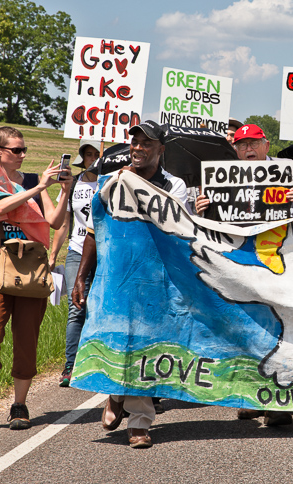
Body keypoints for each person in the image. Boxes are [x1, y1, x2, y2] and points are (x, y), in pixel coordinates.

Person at [73, 120, 188, 449]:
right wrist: (82, 275)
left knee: (147, 347)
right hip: (117, 278)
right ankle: (116, 392)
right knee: (117, 340)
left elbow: (179, 231)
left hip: (156, 280)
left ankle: (139, 422)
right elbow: (95, 230)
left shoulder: (174, 186)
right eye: (134, 142)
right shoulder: (111, 182)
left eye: (146, 144)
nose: (138, 148)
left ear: (160, 150)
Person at [0, 127, 72, 432]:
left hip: (32, 271)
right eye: (16, 150)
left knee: (27, 338)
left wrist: (63, 191)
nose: (23, 155)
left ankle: (20, 404)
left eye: (24, 149)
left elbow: (54, 221)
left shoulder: (33, 180)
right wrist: (38, 189)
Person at [193, 124, 293, 427]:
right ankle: (253, 397)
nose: (247, 149)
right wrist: (202, 212)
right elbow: (211, 231)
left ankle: (280, 402)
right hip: (239, 266)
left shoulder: (288, 171)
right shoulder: (220, 178)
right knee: (245, 330)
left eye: (253, 143)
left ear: (266, 145)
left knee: (277, 329)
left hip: (278, 264)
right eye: (241, 145)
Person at [49, 140, 100, 387]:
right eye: (88, 154)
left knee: (100, 307)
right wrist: (52, 254)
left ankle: (98, 360)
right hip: (77, 251)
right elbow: (64, 223)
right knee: (76, 306)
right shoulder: (74, 183)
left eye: (96, 154)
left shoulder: (111, 181)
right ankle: (70, 365)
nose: (92, 158)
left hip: (105, 253)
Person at [195, 124, 293, 218]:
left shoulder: (288, 168)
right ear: (237, 152)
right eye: (243, 145)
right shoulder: (222, 175)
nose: (249, 149)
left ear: (266, 146)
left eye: (254, 143)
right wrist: (204, 211)